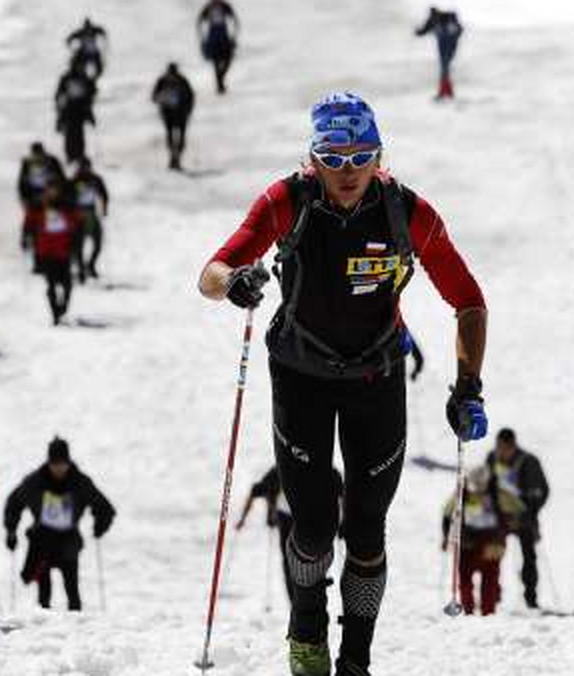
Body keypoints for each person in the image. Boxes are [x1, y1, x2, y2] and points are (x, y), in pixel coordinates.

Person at [198, 92, 488, 675]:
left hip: (377, 378)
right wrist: (235, 283)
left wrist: (468, 386)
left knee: (366, 530)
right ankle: (307, 630)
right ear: (313, 159)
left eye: (362, 155)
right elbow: (211, 272)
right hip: (301, 375)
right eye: (334, 156)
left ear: (380, 155)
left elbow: (469, 301)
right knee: (312, 524)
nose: (349, 170)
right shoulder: (288, 200)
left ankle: (356, 658)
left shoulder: (407, 212)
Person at [3, 438, 114, 611]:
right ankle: (43, 627)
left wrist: (100, 525)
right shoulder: (34, 482)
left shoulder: (80, 482)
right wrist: (11, 530)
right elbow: (13, 503)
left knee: (72, 590)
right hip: (42, 540)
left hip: (68, 540)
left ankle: (76, 627)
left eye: (62, 463)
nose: (59, 468)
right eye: (55, 464)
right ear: (48, 462)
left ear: (68, 462)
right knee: (44, 592)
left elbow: (104, 507)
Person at [236, 465, 344, 603]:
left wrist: (343, 523)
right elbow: (256, 490)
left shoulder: (324, 467)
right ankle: (295, 601)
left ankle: (312, 596)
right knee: (291, 561)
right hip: (287, 518)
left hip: (314, 516)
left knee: (314, 557)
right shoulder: (280, 469)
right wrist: (242, 519)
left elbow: (342, 494)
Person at [484, 428, 548, 609]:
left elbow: (542, 491)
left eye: (505, 448)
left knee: (529, 557)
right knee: (492, 556)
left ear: (513, 446)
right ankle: (492, 597)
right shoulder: (491, 458)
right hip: (500, 517)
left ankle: (531, 598)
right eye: (498, 448)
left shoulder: (529, 462)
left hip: (524, 517)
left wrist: (530, 513)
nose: (501, 452)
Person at [441, 465, 506, 616]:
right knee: (464, 579)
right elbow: (447, 513)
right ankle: (467, 611)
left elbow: (511, 513)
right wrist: (446, 537)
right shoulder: (461, 493)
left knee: (490, 580)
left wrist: (502, 538)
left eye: (481, 486)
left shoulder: (497, 493)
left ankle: (488, 613)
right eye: (474, 486)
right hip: (467, 542)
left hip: (490, 542)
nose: (477, 490)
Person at [22, 185, 84, 324]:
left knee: (67, 285)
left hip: (64, 253)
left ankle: (63, 307)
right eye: (49, 191)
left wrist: (75, 241)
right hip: (46, 253)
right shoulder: (38, 207)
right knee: (51, 285)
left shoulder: (67, 207)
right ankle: (55, 313)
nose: (52, 194)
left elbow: (78, 221)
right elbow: (29, 222)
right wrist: (25, 237)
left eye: (54, 191)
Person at [69, 158, 109, 278]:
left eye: (86, 168)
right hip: (78, 214)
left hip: (91, 212)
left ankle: (91, 265)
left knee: (98, 242)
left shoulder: (95, 179)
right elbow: (67, 198)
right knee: (78, 244)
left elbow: (104, 194)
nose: (85, 170)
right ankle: (81, 267)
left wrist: (105, 208)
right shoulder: (74, 181)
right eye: (82, 168)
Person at [151, 63, 194, 171]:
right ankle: (174, 158)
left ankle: (175, 158)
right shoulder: (179, 80)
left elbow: (154, 96)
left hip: (176, 114)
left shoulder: (166, 80)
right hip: (173, 114)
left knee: (177, 137)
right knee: (174, 136)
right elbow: (154, 97)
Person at [415, 7, 463, 100]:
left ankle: (444, 91)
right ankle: (447, 91)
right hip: (448, 44)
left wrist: (418, 32)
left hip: (447, 44)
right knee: (445, 67)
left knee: (444, 67)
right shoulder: (446, 19)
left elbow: (424, 30)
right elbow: (460, 30)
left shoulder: (437, 19)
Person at [55, 63, 98, 163]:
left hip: (78, 110)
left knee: (78, 134)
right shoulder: (68, 78)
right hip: (70, 110)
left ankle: (78, 154)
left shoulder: (82, 77)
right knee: (70, 134)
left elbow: (91, 92)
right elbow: (59, 94)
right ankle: (71, 155)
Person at [197, 0, 239, 93]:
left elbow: (234, 20)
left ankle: (221, 79)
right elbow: (200, 21)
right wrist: (202, 38)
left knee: (228, 58)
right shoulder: (208, 7)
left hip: (223, 34)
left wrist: (234, 36)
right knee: (216, 60)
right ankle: (219, 84)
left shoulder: (224, 6)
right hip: (213, 36)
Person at [17, 142, 66, 211]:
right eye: (36, 155)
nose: (38, 157)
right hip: (33, 194)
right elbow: (21, 182)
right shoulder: (27, 163)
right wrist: (24, 198)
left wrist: (59, 193)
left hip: (51, 193)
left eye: (40, 154)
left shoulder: (52, 161)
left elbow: (61, 178)